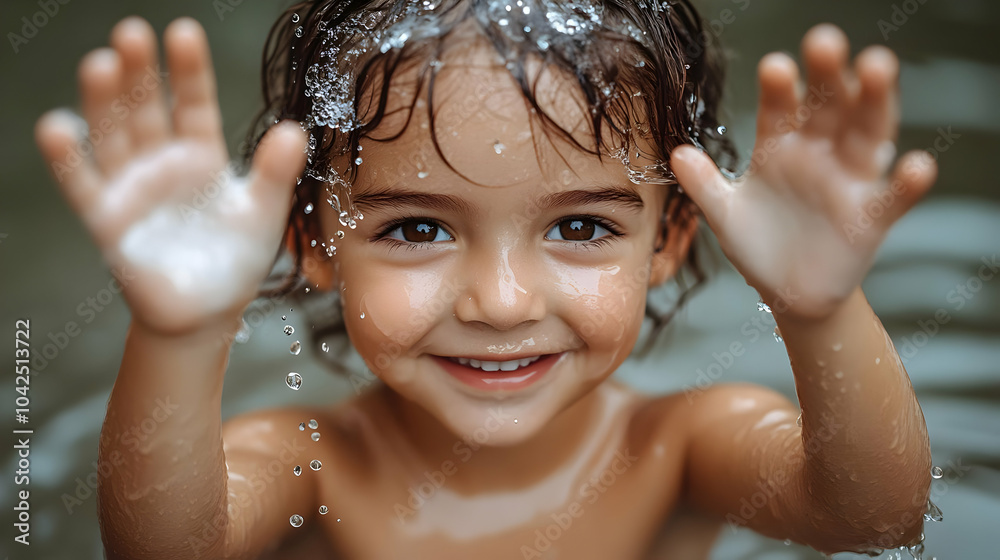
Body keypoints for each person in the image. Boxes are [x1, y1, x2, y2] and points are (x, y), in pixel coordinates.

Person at [34, 1, 937, 558]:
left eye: (581, 227)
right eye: (416, 228)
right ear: (312, 240)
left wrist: (816, 311)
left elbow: (875, 518)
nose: (501, 302)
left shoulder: (682, 449)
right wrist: (180, 335)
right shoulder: (307, 465)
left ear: (668, 240)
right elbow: (163, 550)